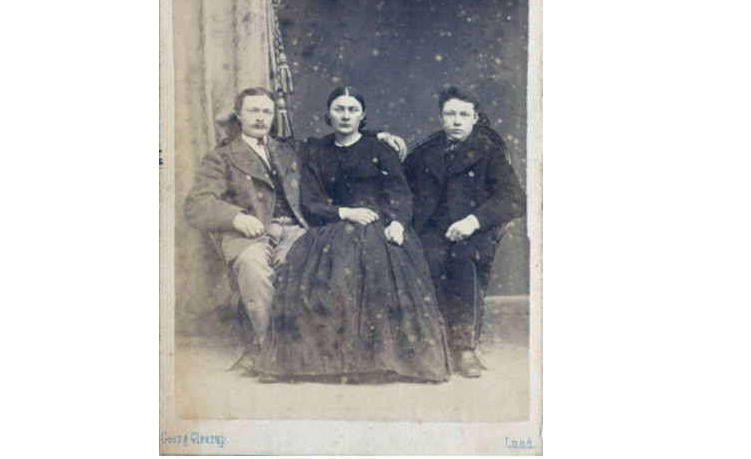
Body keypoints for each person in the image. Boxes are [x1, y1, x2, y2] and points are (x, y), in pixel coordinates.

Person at [184, 87, 407, 375]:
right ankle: (269, 352)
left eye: (266, 111)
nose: (260, 118)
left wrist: (380, 135)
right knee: (253, 267)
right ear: (238, 114)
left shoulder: (288, 148)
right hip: (250, 233)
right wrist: (236, 217)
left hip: (295, 230)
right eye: (253, 110)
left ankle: (297, 353)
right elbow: (197, 204)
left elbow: (340, 136)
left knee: (302, 266)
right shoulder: (221, 157)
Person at [255, 87, 451, 383]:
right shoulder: (316, 151)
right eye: (339, 109)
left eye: (352, 110)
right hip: (335, 225)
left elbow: (400, 194)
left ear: (362, 116)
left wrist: (398, 224)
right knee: (322, 279)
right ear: (328, 114)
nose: (345, 116)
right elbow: (311, 202)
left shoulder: (380, 149)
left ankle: (384, 361)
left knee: (379, 271)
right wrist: (344, 212)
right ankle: (326, 364)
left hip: (380, 224)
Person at [404, 87, 526, 378]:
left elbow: (514, 198)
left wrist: (473, 221)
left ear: (474, 118)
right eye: (450, 114)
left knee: (463, 258)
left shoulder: (488, 153)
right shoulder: (423, 153)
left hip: (470, 232)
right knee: (427, 259)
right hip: (429, 231)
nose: (457, 121)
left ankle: (464, 348)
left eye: (463, 114)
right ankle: (431, 344)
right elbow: (398, 189)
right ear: (441, 117)